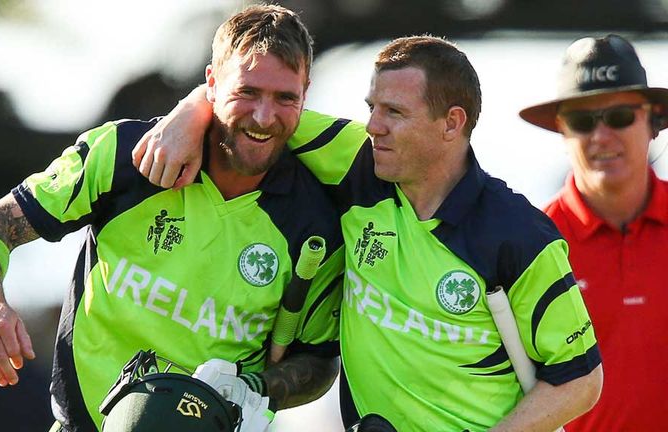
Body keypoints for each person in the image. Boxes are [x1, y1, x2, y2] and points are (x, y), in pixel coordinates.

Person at [132, 35, 604, 431]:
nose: (373, 126)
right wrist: (191, 110)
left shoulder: (518, 234)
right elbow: (257, 109)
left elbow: (581, 380)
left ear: (452, 123)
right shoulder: (359, 163)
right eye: (371, 107)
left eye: (394, 112)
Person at [0, 5, 346, 431]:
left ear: (306, 94)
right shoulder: (123, 155)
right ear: (212, 83)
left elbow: (319, 360)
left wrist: (254, 388)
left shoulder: (316, 224)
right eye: (247, 92)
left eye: (285, 98)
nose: (264, 117)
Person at [519, 34, 668, 431]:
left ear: (653, 121)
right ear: (562, 130)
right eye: (582, 122)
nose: (601, 136)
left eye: (620, 116)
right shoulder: (529, 244)